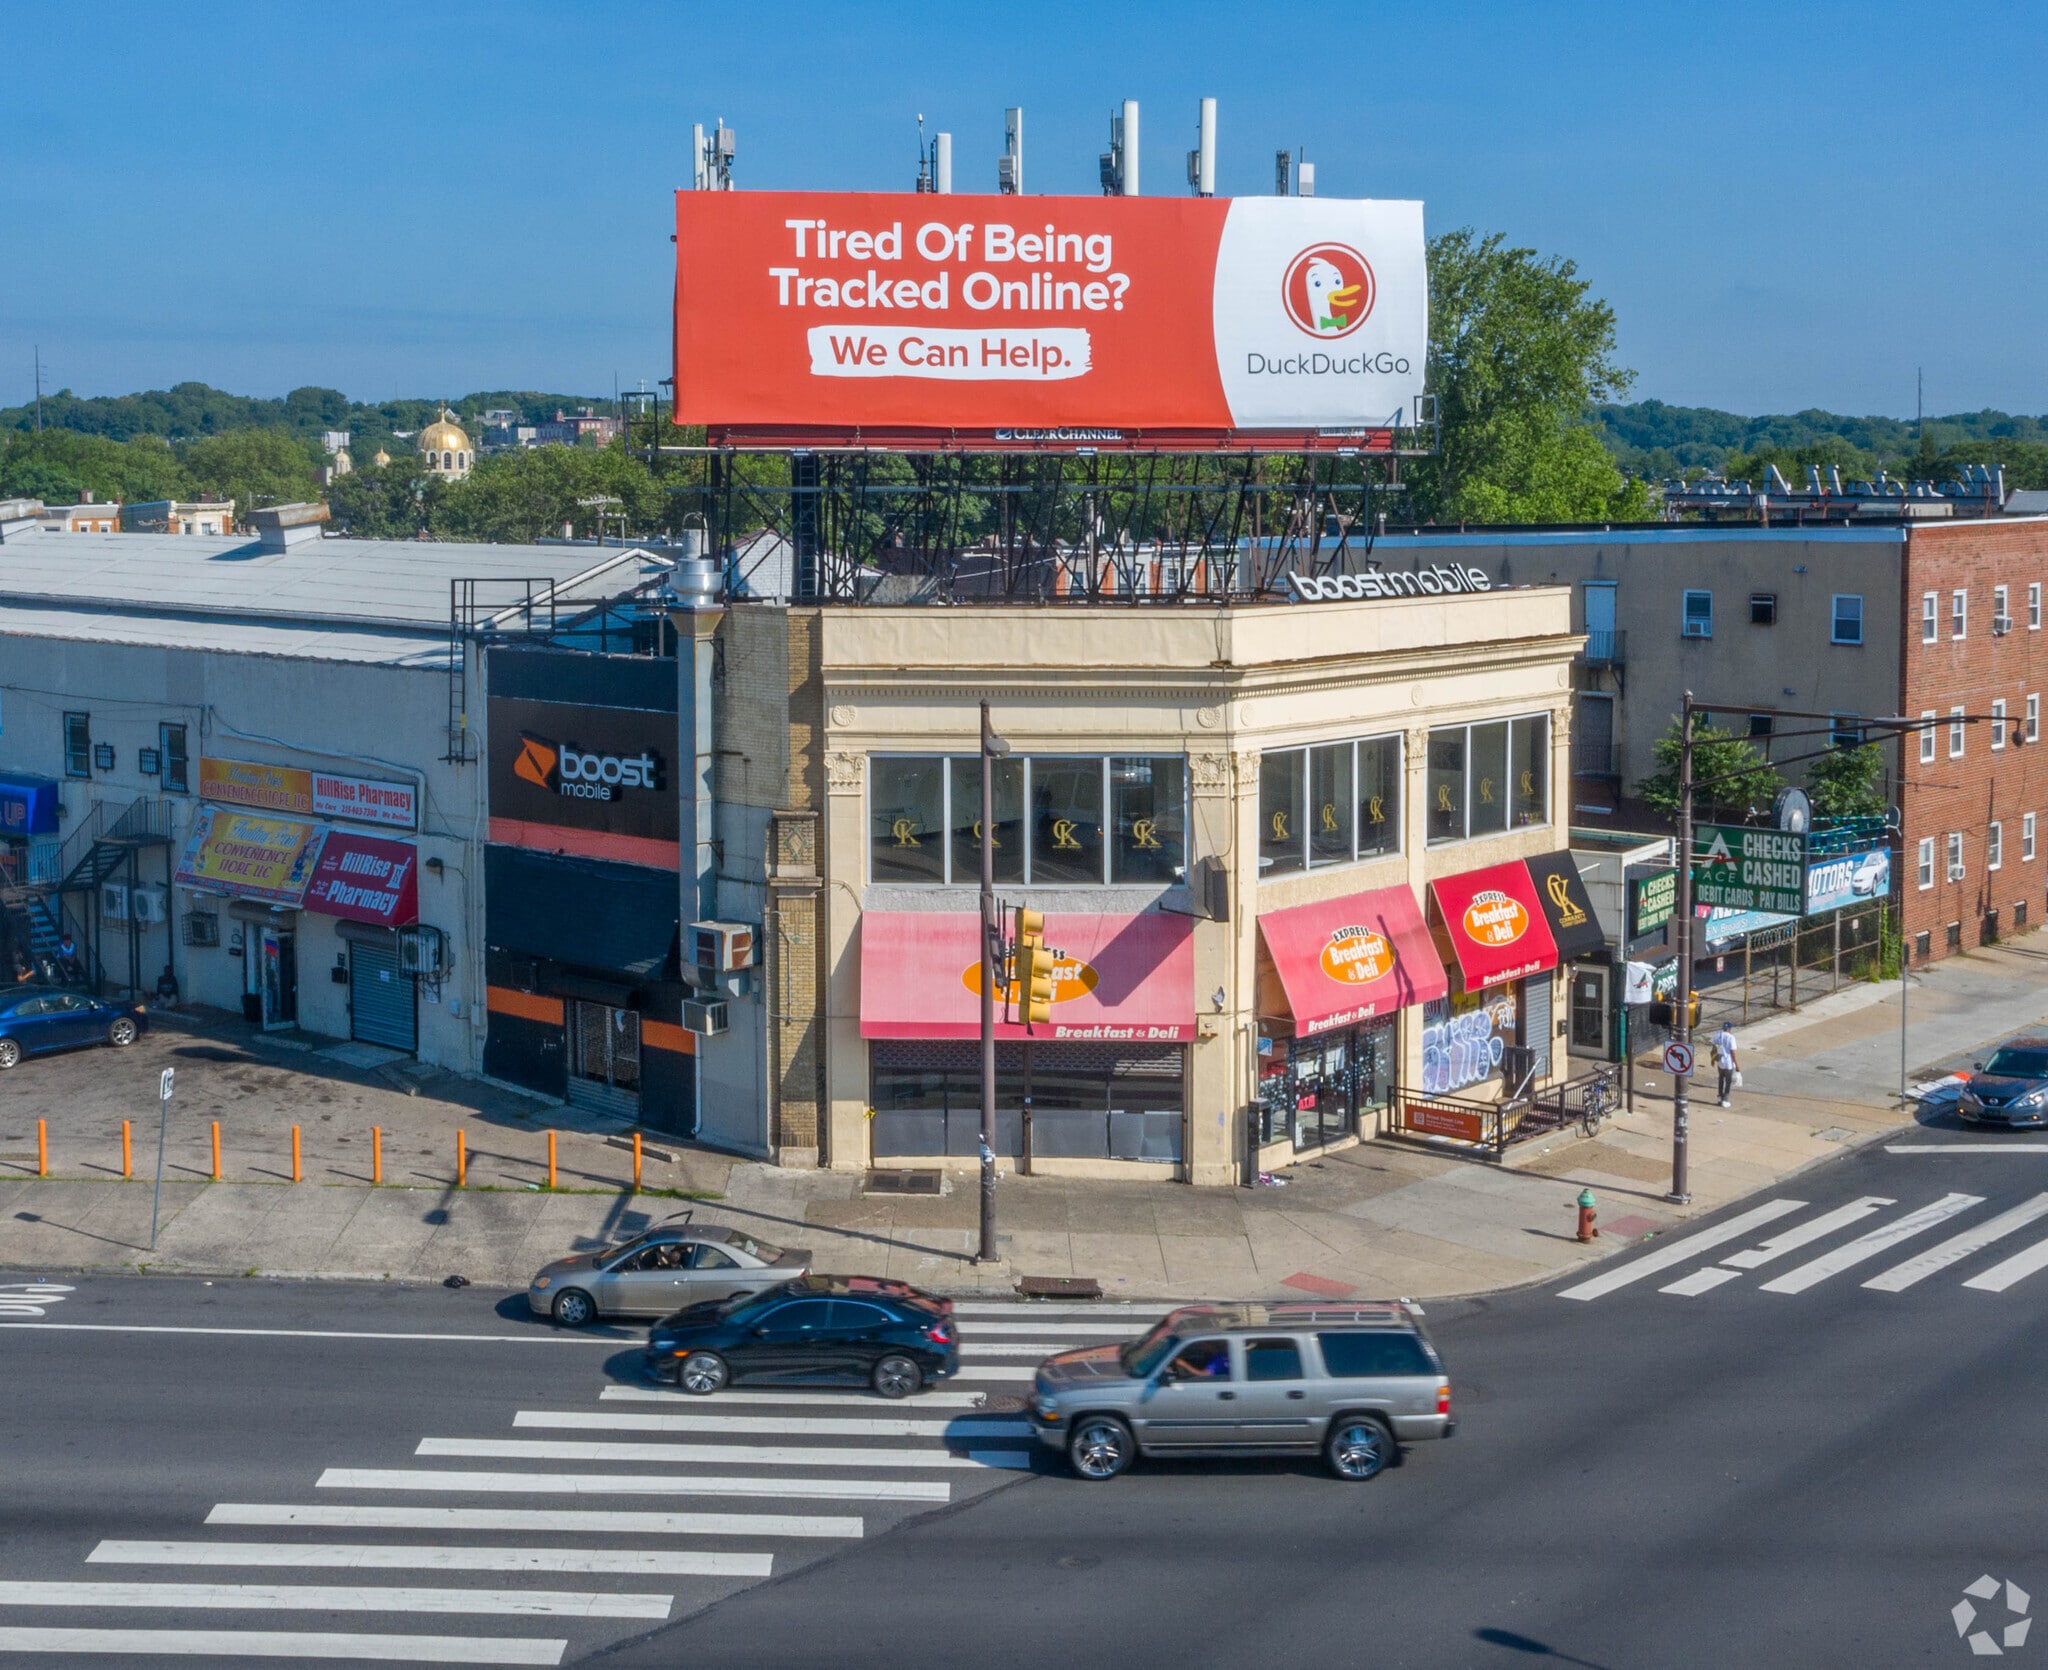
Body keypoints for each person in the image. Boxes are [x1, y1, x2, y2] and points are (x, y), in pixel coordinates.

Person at [1712, 1021, 1740, 1107]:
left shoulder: (1717, 1035)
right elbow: (1733, 1052)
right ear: (1730, 1029)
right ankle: (1725, 1099)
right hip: (1728, 1063)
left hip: (1720, 1061)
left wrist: (1712, 1060)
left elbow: (1713, 1049)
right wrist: (1737, 1065)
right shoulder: (1731, 1038)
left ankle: (1719, 1097)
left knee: (1721, 1079)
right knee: (1728, 1081)